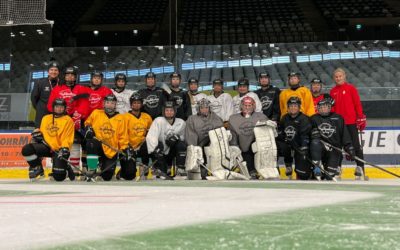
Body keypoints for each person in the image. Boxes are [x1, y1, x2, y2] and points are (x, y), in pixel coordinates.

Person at [22, 98, 75, 181]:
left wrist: (64, 148)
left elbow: (67, 137)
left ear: (65, 108)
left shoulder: (68, 120)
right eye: (57, 107)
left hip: (60, 150)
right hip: (46, 146)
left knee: (58, 177)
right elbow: (42, 131)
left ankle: (66, 168)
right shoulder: (46, 118)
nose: (59, 109)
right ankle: (38, 168)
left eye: (61, 107)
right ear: (53, 107)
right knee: (27, 149)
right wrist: (37, 133)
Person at [229, 96, 279, 179]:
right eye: (245, 105)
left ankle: (271, 169)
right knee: (248, 172)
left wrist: (272, 127)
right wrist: (235, 148)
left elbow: (269, 135)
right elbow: (233, 136)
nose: (247, 108)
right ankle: (251, 171)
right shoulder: (233, 118)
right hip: (243, 149)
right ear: (241, 106)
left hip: (258, 148)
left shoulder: (261, 117)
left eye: (250, 105)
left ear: (254, 106)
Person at [330, 68, 367, 179]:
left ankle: (359, 167)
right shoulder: (332, 91)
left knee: (355, 145)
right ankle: (338, 168)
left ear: (344, 76)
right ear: (334, 78)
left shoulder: (351, 88)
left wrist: (360, 117)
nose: (338, 78)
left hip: (351, 122)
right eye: (336, 76)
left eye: (340, 76)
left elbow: (357, 104)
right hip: (339, 124)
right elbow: (332, 108)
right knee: (338, 147)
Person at [84, 94, 131, 181]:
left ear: (115, 105)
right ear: (104, 104)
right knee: (91, 143)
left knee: (107, 176)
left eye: (112, 103)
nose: (110, 105)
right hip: (98, 145)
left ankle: (103, 167)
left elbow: (123, 136)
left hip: (111, 150)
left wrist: (125, 148)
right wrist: (88, 129)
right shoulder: (96, 113)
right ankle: (92, 168)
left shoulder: (121, 118)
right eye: (107, 102)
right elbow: (87, 123)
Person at [310, 95, 355, 180]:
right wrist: (312, 134)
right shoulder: (313, 118)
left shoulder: (338, 118)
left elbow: (344, 135)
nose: (323, 109)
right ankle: (317, 165)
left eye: (326, 107)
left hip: (334, 149)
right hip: (321, 148)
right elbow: (308, 134)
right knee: (315, 142)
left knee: (329, 176)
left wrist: (349, 147)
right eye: (321, 107)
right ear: (318, 108)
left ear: (330, 107)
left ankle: (331, 168)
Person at [185, 98, 224, 179]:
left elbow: (220, 132)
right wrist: (195, 148)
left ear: (209, 108)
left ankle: (218, 168)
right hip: (199, 144)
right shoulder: (192, 119)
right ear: (198, 109)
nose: (204, 110)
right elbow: (191, 135)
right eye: (202, 108)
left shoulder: (216, 118)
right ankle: (201, 170)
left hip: (213, 144)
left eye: (206, 107)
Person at [146, 101, 186, 178]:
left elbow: (184, 137)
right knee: (162, 175)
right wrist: (155, 150)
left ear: (175, 111)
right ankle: (159, 168)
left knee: (181, 145)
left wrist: (177, 137)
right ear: (163, 111)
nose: (169, 112)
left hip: (172, 150)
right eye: (167, 110)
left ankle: (180, 170)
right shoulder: (158, 120)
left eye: (171, 110)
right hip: (160, 151)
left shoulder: (181, 122)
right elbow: (151, 137)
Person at [277, 97, 312, 180]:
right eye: (291, 106)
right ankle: (287, 165)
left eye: (295, 106)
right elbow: (280, 132)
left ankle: (309, 170)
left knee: (303, 175)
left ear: (299, 107)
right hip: (287, 145)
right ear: (288, 107)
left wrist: (303, 147)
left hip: (299, 145)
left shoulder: (304, 118)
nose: (293, 108)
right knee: (276, 145)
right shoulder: (284, 118)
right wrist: (283, 137)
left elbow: (305, 135)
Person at [123, 93, 152, 169]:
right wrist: (128, 146)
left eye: (138, 103)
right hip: (129, 148)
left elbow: (151, 132)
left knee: (147, 145)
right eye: (134, 103)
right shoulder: (124, 117)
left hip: (142, 146)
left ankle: (144, 170)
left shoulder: (147, 117)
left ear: (141, 104)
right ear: (131, 104)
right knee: (129, 174)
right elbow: (122, 134)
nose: (136, 105)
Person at [30, 61, 61, 128]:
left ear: (58, 72)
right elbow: (34, 98)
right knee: (40, 133)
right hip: (42, 113)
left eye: (56, 70)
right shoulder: (40, 82)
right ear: (48, 71)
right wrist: (39, 108)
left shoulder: (62, 83)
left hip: (58, 113)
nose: (53, 72)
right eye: (51, 70)